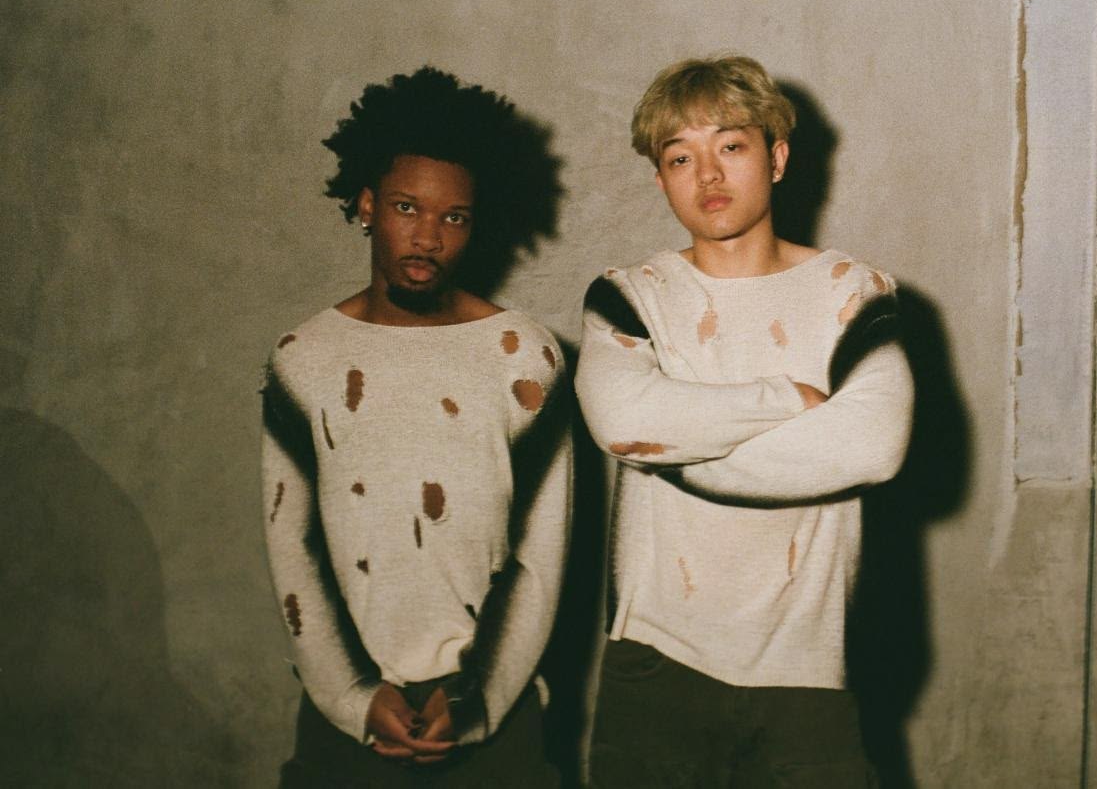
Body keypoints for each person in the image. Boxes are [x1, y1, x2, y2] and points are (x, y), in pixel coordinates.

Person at [575, 55, 913, 787]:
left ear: (777, 158)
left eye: (730, 146)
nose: (708, 175)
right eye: (680, 157)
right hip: (654, 666)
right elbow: (623, 422)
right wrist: (785, 399)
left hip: (809, 673)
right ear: (660, 179)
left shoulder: (852, 292)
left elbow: (873, 445)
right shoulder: (630, 295)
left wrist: (675, 441)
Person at [261, 66, 570, 787]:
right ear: (368, 205)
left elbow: (542, 558)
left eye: (453, 217)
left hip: (496, 722)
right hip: (347, 724)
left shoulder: (525, 359)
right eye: (407, 207)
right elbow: (291, 546)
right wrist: (354, 695)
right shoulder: (304, 360)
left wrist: (476, 701)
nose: (428, 237)